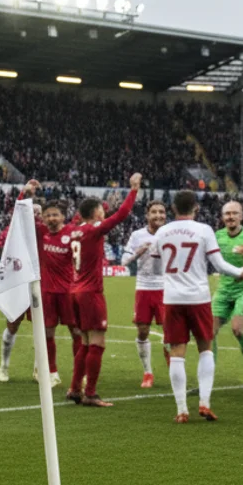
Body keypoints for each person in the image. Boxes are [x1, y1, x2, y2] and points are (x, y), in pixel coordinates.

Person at [150, 191, 243, 423]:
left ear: (173, 209)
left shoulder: (162, 232)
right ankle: (204, 403)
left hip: (173, 299)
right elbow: (219, 264)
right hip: (198, 298)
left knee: (177, 353)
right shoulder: (204, 230)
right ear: (196, 208)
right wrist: (241, 272)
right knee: (205, 348)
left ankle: (181, 410)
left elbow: (156, 270)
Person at [67, 174, 142, 407]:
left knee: (86, 342)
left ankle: (74, 388)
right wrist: (134, 189)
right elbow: (121, 215)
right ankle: (90, 393)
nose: (104, 213)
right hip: (90, 292)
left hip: (75, 290)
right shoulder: (92, 229)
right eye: (102, 210)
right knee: (97, 343)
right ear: (97, 213)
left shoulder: (73, 231)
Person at [211, 200, 243, 391]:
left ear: (242, 215)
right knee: (209, 333)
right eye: (227, 214)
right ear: (222, 217)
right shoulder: (217, 236)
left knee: (238, 330)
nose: (230, 217)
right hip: (223, 290)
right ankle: (208, 376)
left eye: (234, 213)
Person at [121, 200, 169, 388]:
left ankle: (173, 368)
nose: (158, 215)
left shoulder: (171, 233)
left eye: (162, 212)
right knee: (142, 331)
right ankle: (148, 372)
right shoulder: (137, 235)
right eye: (154, 212)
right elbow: (124, 261)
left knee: (170, 332)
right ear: (147, 215)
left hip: (166, 289)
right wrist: (138, 253)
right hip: (144, 288)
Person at [0, 194, 42, 382]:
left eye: (39, 213)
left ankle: (39, 369)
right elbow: (0, 250)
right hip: (19, 284)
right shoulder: (11, 231)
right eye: (34, 212)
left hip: (39, 284)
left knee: (41, 328)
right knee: (12, 325)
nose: (37, 215)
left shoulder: (45, 231)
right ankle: (4, 366)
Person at [35, 200, 75, 388]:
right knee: (47, 333)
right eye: (48, 215)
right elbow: (18, 217)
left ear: (63, 216)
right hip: (47, 292)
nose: (51, 218)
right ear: (43, 218)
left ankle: (79, 373)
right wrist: (25, 194)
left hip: (69, 291)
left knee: (76, 332)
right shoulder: (40, 232)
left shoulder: (72, 233)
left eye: (55, 214)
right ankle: (52, 372)